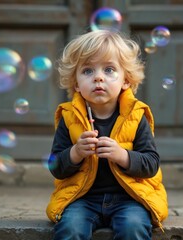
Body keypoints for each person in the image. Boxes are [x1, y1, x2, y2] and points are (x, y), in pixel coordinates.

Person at [46, 29, 168, 240]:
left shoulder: (136, 116)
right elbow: (56, 167)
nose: (99, 78)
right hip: (82, 198)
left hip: (129, 197)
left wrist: (122, 155)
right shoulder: (69, 117)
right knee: (71, 228)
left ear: (126, 80)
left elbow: (151, 164)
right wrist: (75, 152)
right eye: (87, 71)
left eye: (109, 69)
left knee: (134, 227)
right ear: (75, 83)